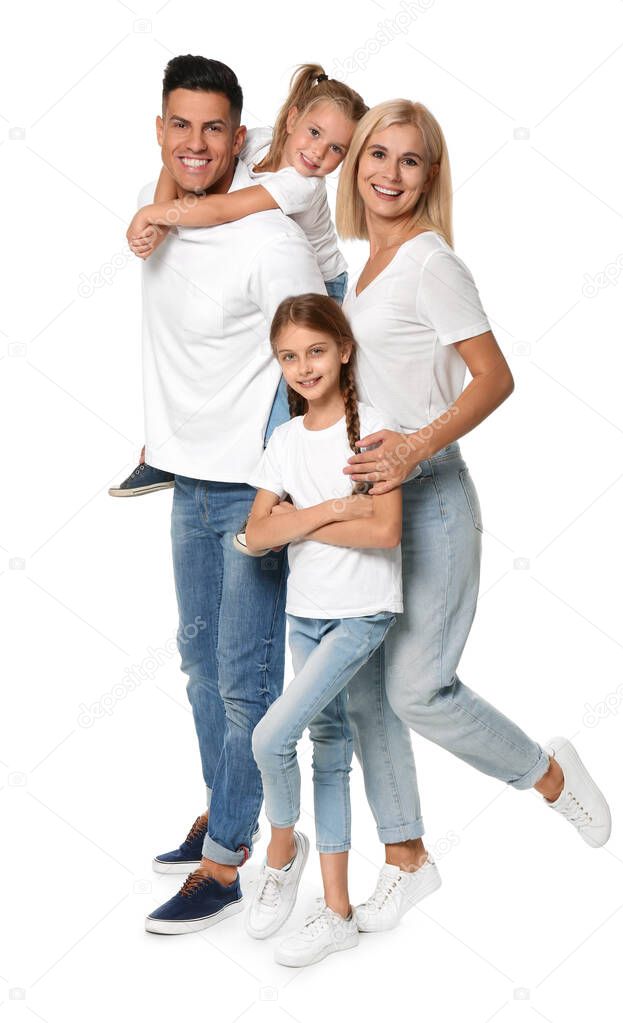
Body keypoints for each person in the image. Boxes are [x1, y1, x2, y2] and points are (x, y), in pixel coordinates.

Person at [297, 99, 612, 932]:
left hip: (432, 500)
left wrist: (412, 448)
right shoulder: (365, 267)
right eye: (376, 155)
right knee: (365, 692)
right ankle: (407, 859)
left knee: (417, 688)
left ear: (430, 176)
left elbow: (495, 376)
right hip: (372, 507)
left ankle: (549, 775)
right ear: (356, 164)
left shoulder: (432, 262)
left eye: (409, 160)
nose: (388, 174)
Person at [139, 54, 327, 935]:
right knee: (197, 667)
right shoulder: (169, 208)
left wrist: (288, 486)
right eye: (180, 125)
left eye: (215, 127)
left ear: (242, 135)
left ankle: (226, 859)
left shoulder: (273, 236)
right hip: (188, 478)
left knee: (245, 683)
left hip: (250, 488)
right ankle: (225, 807)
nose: (196, 143)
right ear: (160, 130)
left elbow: (320, 364)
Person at [110, 63, 368, 498]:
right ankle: (170, 453)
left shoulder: (300, 185)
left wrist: (157, 216)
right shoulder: (258, 141)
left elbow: (222, 211)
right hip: (273, 273)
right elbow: (179, 163)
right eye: (314, 133)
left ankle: (280, 489)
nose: (318, 153)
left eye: (337, 149)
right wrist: (161, 219)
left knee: (285, 401)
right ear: (291, 120)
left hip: (325, 287)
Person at [243, 293, 403, 967]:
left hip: (362, 611)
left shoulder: (376, 431)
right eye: (288, 357)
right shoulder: (283, 441)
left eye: (314, 350)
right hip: (304, 610)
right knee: (328, 745)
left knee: (270, 736)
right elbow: (256, 533)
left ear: (343, 349)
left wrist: (300, 517)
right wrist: (336, 507)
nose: (302, 366)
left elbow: (384, 529)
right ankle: (335, 910)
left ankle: (283, 847)